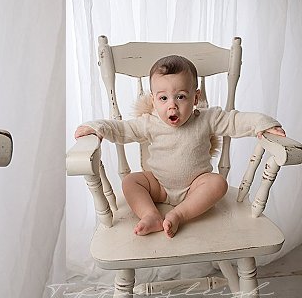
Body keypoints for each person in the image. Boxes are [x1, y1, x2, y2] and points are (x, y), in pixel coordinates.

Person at [74, 54, 285, 238]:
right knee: (131, 181)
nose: (172, 105)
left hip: (195, 187)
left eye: (181, 96)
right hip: (159, 186)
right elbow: (121, 129)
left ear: (196, 97)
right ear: (153, 100)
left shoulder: (207, 118)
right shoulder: (150, 122)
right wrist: (97, 127)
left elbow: (236, 121)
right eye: (163, 98)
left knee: (218, 183)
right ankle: (151, 215)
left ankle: (179, 214)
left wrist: (263, 124)